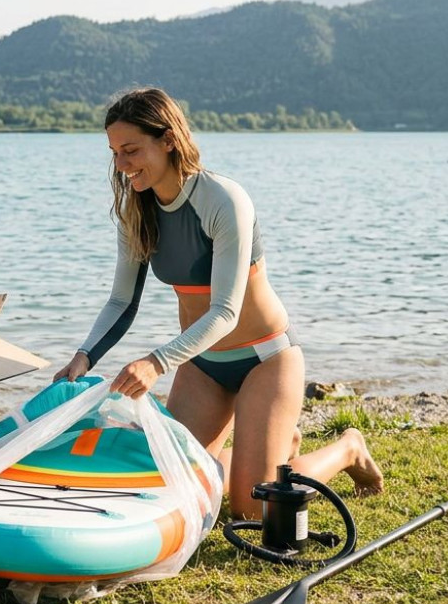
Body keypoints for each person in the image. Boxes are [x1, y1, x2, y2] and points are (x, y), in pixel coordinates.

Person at [54, 88, 383, 519]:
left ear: (168, 140)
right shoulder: (137, 212)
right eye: (114, 153)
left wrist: (155, 363)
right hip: (203, 363)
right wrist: (83, 358)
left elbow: (226, 312)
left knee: (250, 509)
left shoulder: (222, 199)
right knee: (175, 485)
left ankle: (347, 449)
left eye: (131, 150)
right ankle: (273, 447)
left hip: (266, 358)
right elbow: (122, 301)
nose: (121, 165)